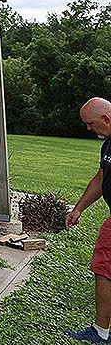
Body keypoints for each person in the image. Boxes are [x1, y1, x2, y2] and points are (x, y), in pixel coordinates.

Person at [67, 97, 111, 343]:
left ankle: (101, 332)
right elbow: (100, 179)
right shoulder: (108, 146)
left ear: (106, 119)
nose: (88, 128)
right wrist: (79, 209)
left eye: (91, 124)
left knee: (104, 268)